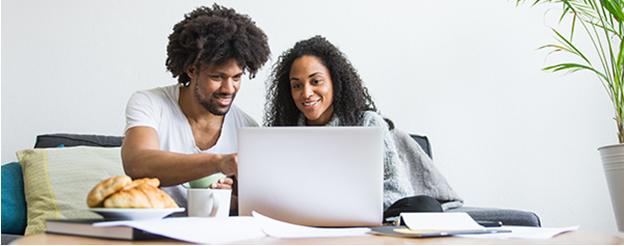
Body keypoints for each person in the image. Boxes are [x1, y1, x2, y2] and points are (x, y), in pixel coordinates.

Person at [121, 4, 270, 212]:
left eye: (236, 77)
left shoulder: (246, 128)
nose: (229, 89)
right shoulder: (150, 103)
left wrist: (225, 198)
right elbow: (138, 165)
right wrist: (218, 163)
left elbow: (249, 205)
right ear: (192, 70)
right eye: (217, 77)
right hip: (156, 231)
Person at [264, 35, 431, 213]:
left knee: (426, 206)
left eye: (316, 81)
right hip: (302, 221)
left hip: (360, 218)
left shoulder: (367, 124)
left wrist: (345, 206)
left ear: (334, 81)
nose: (306, 93)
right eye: (297, 86)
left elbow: (399, 192)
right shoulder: (282, 133)